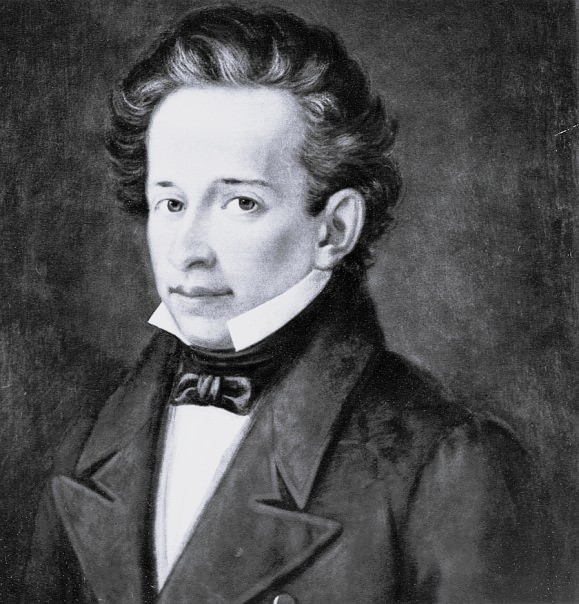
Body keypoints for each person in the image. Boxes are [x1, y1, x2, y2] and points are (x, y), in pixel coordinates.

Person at [23, 5, 552, 603]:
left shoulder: (447, 464)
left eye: (241, 203)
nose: (187, 251)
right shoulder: (86, 444)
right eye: (170, 203)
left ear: (334, 229)